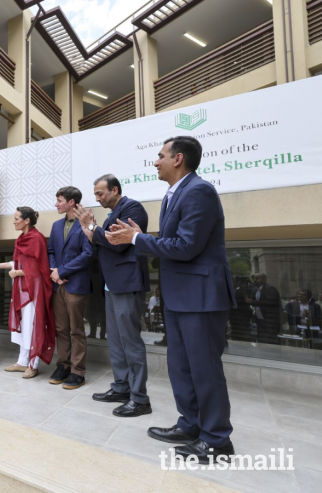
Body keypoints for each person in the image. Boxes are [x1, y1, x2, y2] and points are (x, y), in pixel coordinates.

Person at [105, 136, 236, 464]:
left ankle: (217, 440)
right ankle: (190, 425)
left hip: (201, 298)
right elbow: (176, 240)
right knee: (181, 367)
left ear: (178, 159)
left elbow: (188, 246)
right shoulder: (174, 194)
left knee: (204, 370)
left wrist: (138, 238)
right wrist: (146, 237)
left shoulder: (199, 191)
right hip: (180, 298)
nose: (155, 161)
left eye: (160, 155)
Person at [76, 174, 151, 418]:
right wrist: (92, 230)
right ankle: (121, 388)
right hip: (111, 285)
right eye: (95, 194)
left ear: (115, 189)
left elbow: (117, 242)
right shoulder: (111, 214)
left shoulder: (132, 208)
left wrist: (91, 227)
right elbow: (100, 241)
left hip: (127, 283)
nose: (97, 198)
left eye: (100, 193)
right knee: (116, 340)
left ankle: (139, 399)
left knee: (130, 341)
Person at [0, 207, 55, 379]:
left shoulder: (37, 239)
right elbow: (19, 263)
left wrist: (19, 273)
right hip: (22, 290)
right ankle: (22, 362)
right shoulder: (21, 239)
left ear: (26, 220)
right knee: (23, 327)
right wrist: (0, 265)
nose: (14, 221)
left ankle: (33, 365)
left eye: (16, 218)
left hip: (34, 292)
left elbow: (39, 268)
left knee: (31, 326)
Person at [47, 186, 92, 390]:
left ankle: (78, 371)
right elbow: (50, 251)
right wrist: (55, 272)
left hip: (76, 285)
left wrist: (62, 271)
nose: (56, 204)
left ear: (71, 202)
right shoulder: (56, 226)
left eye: (59, 200)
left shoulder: (86, 224)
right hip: (58, 286)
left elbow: (88, 254)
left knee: (76, 330)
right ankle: (63, 366)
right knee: (61, 329)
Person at [246, 273, 281, 345]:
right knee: (261, 341)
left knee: (270, 341)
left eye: (257, 278)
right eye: (254, 278)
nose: (255, 280)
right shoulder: (255, 289)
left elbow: (269, 302)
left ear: (264, 279)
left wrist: (253, 302)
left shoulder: (270, 289)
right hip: (260, 320)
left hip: (270, 321)